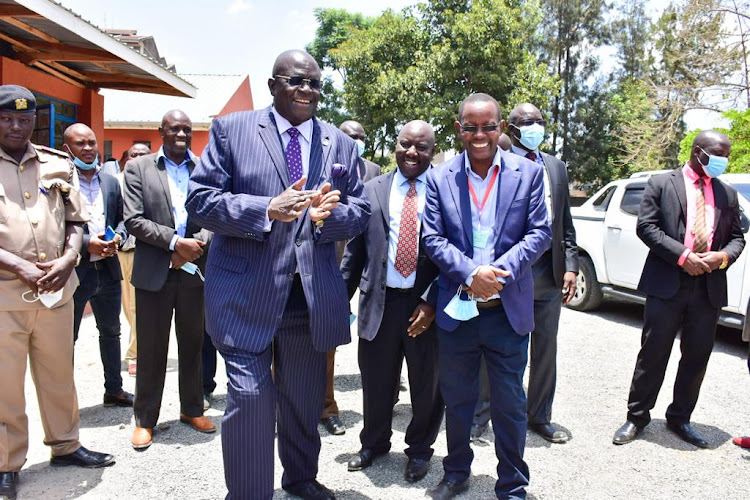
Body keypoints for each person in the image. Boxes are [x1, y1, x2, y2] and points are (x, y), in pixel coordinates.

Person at [186, 49, 370, 500]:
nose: (306, 90)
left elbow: (361, 210)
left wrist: (332, 218)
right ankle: (250, 493)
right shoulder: (234, 130)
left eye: (314, 84)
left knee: (303, 399)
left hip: (308, 299)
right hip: (244, 295)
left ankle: (301, 478)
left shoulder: (339, 143)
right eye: (295, 81)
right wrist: (265, 208)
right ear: (274, 85)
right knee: (250, 400)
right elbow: (200, 200)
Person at [422, 93, 551, 499]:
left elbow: (540, 233)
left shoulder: (526, 173)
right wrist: (470, 273)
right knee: (458, 401)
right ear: (459, 129)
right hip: (458, 310)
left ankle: (512, 483)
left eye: (489, 126)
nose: (480, 135)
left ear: (500, 128)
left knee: (510, 404)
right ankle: (456, 472)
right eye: (471, 127)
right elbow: (431, 237)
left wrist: (497, 275)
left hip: (505, 311)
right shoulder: (439, 177)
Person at [0, 85, 114, 500]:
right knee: (5, 384)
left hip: (55, 289)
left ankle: (65, 445)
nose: (16, 125)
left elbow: (76, 222)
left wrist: (69, 259)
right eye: (7, 118)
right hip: (5, 296)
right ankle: (7, 463)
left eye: (24, 118)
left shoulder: (56, 163)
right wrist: (18, 265)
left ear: (35, 121)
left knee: (58, 375)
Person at [612, 130, 745, 448]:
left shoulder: (727, 194)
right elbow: (646, 226)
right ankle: (637, 417)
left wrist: (723, 257)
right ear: (699, 152)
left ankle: (680, 418)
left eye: (726, 156)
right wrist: (683, 257)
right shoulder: (661, 183)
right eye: (718, 155)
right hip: (667, 280)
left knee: (697, 356)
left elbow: (738, 237)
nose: (722, 161)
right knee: (654, 352)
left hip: (708, 286)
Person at [341, 120, 442, 482]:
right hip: (378, 303)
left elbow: (456, 254)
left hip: (424, 308)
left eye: (422, 147)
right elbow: (355, 253)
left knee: (427, 385)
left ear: (433, 150)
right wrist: (339, 302)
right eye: (405, 144)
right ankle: (374, 442)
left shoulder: (446, 192)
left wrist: (432, 301)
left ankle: (419, 450)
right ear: (394, 144)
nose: (412, 153)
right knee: (377, 381)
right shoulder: (371, 190)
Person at [471, 104, 578, 443]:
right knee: (495, 346)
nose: (535, 127)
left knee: (546, 346)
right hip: (509, 272)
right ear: (511, 128)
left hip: (549, 273)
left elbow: (565, 223)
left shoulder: (556, 167)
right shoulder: (498, 161)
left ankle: (540, 417)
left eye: (540, 122)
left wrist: (571, 266)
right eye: (527, 123)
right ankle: (480, 417)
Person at [123, 110, 215, 451]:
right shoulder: (139, 168)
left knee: (192, 345)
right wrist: (175, 245)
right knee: (151, 350)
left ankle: (192, 409)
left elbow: (213, 212)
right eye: (174, 129)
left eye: (187, 130)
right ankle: (145, 420)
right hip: (153, 274)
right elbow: (133, 219)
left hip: (194, 273)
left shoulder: (204, 168)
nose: (181, 134)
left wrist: (194, 247)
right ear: (161, 131)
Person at [318, 119, 382, 437]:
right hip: (320, 262)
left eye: (360, 136)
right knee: (291, 340)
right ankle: (285, 407)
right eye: (348, 136)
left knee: (331, 340)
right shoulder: (321, 161)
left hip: (356, 266)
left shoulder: (373, 171)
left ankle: (327, 407)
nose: (354, 140)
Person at [64, 123, 134, 408]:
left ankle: (114, 390)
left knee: (111, 331)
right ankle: (63, 400)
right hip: (75, 273)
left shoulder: (110, 182)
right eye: (81, 144)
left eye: (92, 142)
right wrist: (86, 244)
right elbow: (55, 227)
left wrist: (118, 237)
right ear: (67, 149)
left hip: (107, 269)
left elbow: (122, 219)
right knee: (67, 337)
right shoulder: (59, 182)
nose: (89, 148)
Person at [117, 143, 151, 377]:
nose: (138, 159)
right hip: (120, 253)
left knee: (137, 306)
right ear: (125, 159)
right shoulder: (116, 183)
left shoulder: (156, 184)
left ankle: (136, 354)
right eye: (133, 155)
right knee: (127, 307)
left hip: (144, 253)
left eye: (143, 155)